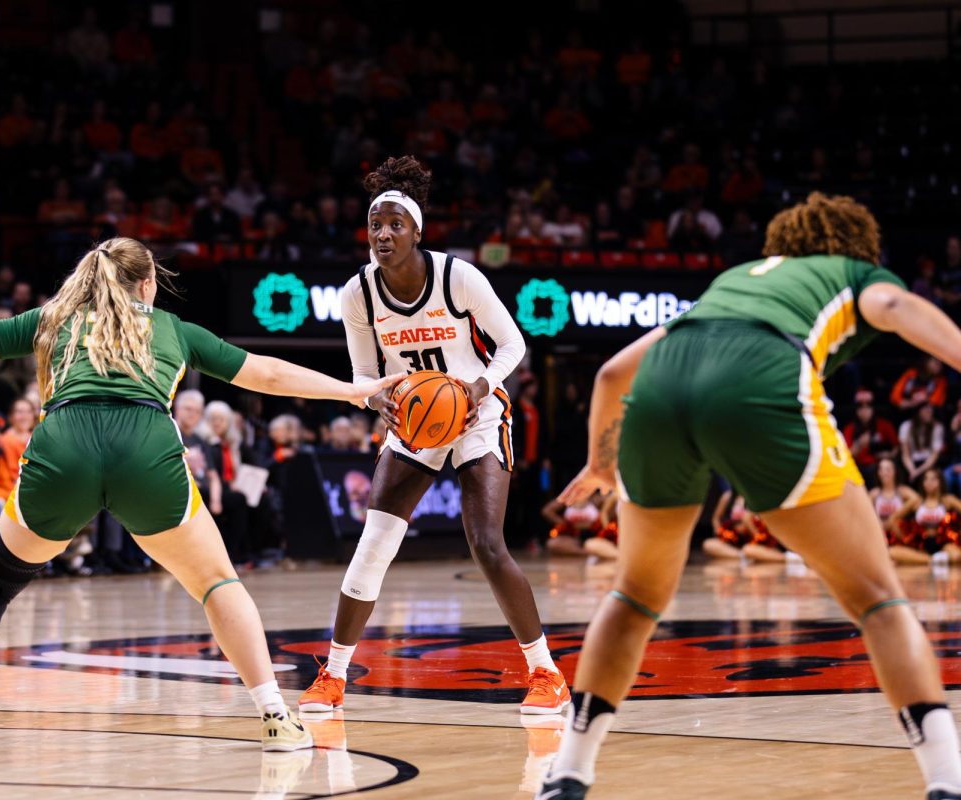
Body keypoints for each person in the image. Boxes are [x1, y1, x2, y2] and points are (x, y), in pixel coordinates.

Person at [0, 236, 398, 756]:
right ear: (148, 283)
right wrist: (356, 391)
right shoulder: (173, 329)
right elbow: (265, 375)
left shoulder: (56, 319)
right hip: (144, 448)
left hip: (63, 445)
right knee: (219, 584)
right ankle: (274, 714)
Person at [537, 193, 961, 800]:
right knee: (877, 598)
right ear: (854, 246)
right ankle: (948, 781)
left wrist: (602, 465)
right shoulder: (852, 273)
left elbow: (611, 374)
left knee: (633, 595)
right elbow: (892, 305)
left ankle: (568, 773)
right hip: (760, 371)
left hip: (661, 389)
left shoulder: (734, 279)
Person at [299, 156, 571, 717]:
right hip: (415, 420)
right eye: (376, 225)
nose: (384, 234)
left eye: (396, 224)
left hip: (476, 415)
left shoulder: (458, 276)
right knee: (373, 547)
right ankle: (334, 674)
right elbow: (363, 380)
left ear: (417, 231)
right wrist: (379, 402)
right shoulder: (358, 293)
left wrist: (478, 388)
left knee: (487, 546)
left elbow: (514, 347)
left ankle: (545, 672)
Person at [889, 468, 961, 566]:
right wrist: (904, 538)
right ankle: (933, 560)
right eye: (926, 479)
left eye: (933, 479)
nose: (929, 482)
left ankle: (931, 559)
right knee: (892, 552)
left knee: (956, 556)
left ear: (940, 481)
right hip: (921, 545)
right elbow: (893, 519)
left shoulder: (948, 500)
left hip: (944, 544)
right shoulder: (916, 501)